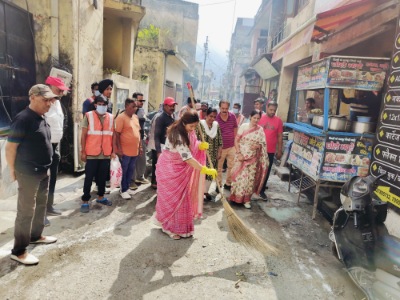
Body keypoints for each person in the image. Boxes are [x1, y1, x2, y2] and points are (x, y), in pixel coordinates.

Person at [6, 84, 59, 265]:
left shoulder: (41, 117)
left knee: (41, 205)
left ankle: (36, 235)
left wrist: (48, 165)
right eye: (45, 100)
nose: (49, 103)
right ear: (33, 97)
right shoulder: (23, 119)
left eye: (50, 99)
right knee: (25, 211)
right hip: (28, 173)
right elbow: (10, 147)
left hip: (44, 171)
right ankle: (19, 251)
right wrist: (12, 170)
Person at [155, 111, 217, 239]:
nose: (193, 129)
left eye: (195, 126)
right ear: (184, 123)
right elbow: (188, 158)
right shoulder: (177, 135)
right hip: (170, 169)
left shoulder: (188, 131)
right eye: (191, 126)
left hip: (180, 169)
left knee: (182, 199)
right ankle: (168, 227)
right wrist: (204, 169)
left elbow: (192, 144)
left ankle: (180, 227)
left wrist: (200, 145)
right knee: (172, 200)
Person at [80, 96, 115, 213]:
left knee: (102, 178)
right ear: (95, 105)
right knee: (89, 178)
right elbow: (83, 135)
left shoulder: (111, 117)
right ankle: (85, 200)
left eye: (104, 104)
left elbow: (113, 136)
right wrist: (83, 151)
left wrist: (113, 151)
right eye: (99, 104)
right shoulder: (88, 115)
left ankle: (101, 197)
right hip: (91, 153)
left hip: (105, 153)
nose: (102, 106)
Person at [43, 76, 70, 225]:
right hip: (45, 145)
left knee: (53, 177)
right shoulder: (43, 103)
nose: (61, 92)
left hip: (55, 145)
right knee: (42, 180)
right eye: (59, 89)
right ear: (50, 87)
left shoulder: (58, 103)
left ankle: (49, 206)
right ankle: (40, 214)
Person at [229, 110, 269, 208]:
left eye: (258, 118)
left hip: (253, 159)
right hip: (241, 157)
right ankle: (235, 198)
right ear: (250, 117)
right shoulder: (243, 126)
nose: (256, 120)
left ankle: (246, 200)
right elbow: (236, 140)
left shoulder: (260, 130)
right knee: (239, 178)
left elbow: (263, 144)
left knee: (250, 180)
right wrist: (239, 154)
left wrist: (258, 146)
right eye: (254, 118)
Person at [113, 98, 141, 200]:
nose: (134, 109)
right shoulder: (121, 117)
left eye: (135, 107)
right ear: (126, 107)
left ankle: (127, 187)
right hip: (124, 151)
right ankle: (123, 190)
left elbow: (138, 133)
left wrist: (140, 146)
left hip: (134, 150)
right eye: (132, 107)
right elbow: (116, 134)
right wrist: (118, 149)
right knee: (124, 170)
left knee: (131, 170)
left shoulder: (135, 117)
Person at [258, 102, 283, 197]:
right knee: (256, 169)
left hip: (270, 151)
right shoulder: (260, 118)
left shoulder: (278, 121)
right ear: (267, 108)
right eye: (271, 110)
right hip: (259, 149)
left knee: (266, 171)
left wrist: (279, 150)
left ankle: (262, 190)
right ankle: (252, 188)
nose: (272, 112)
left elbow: (280, 136)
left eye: (274, 110)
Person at [197, 107, 222, 200]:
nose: (212, 119)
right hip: (202, 155)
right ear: (206, 115)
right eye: (210, 116)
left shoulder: (216, 125)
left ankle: (206, 191)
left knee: (211, 174)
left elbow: (220, 141)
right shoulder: (200, 125)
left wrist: (219, 152)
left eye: (214, 117)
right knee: (202, 173)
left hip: (213, 155)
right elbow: (195, 139)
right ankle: (199, 192)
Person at [152, 97, 177, 189]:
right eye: (170, 106)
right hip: (162, 146)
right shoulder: (161, 118)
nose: (172, 108)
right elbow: (156, 136)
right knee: (158, 168)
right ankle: (156, 183)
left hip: (169, 146)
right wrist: (158, 151)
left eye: (174, 106)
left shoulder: (172, 116)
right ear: (165, 106)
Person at [215, 100, 238, 191]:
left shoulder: (232, 116)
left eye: (226, 108)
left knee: (231, 167)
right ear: (219, 107)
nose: (224, 110)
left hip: (232, 146)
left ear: (229, 108)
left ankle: (228, 183)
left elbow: (235, 127)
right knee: (219, 167)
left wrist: (235, 140)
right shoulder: (216, 118)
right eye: (222, 108)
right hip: (220, 147)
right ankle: (219, 184)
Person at [131, 92, 150, 189]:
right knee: (132, 160)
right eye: (140, 100)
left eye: (143, 100)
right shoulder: (131, 111)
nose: (142, 102)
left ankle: (139, 176)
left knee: (142, 158)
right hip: (133, 139)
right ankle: (131, 180)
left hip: (141, 137)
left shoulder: (141, 111)